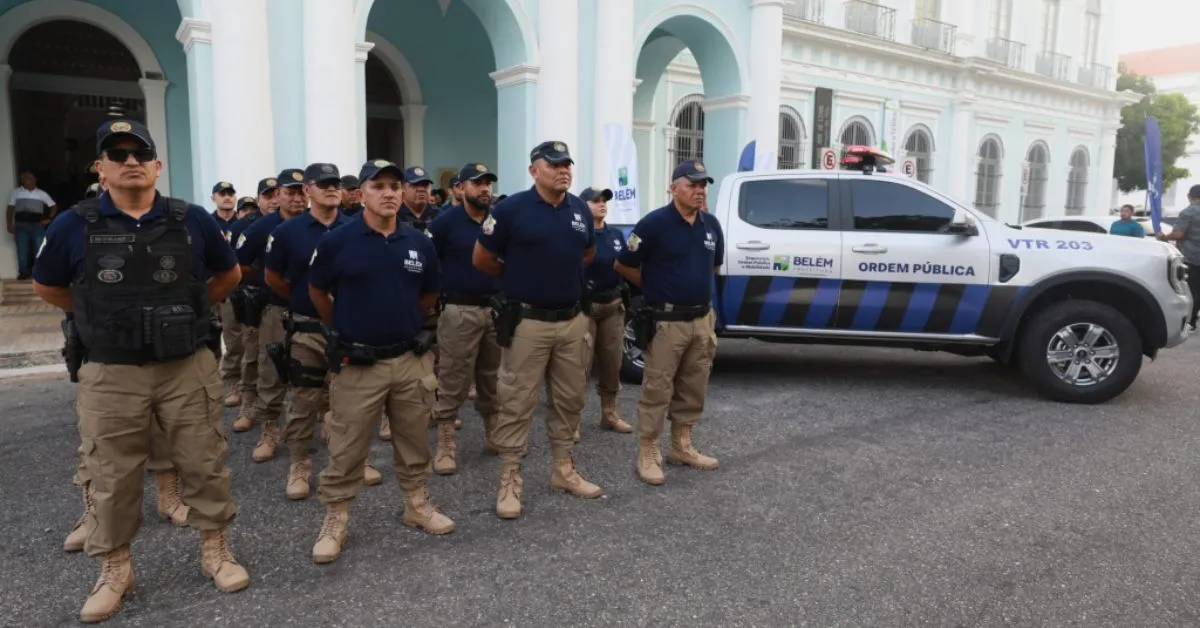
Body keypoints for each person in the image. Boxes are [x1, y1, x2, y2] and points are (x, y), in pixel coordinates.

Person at [33, 119, 249, 622]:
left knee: (204, 460)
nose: (130, 162)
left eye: (140, 154)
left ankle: (216, 551)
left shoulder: (192, 219)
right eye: (118, 154)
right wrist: (102, 318)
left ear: (157, 165)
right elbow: (48, 286)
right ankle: (116, 569)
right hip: (112, 369)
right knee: (111, 473)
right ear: (100, 168)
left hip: (185, 365)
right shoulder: (73, 224)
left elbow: (229, 275)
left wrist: (187, 314)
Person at [308, 159, 454, 564]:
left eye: (394, 186)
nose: (388, 193)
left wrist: (402, 322)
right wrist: (344, 325)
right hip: (358, 363)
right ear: (362, 194)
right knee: (347, 446)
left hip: (409, 359)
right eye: (378, 186)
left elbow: (428, 295)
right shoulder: (338, 242)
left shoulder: (419, 243)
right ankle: (336, 519)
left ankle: (417, 504)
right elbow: (317, 291)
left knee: (414, 440)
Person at [473, 140, 602, 519]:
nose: (564, 171)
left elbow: (587, 253)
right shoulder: (510, 210)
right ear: (534, 170)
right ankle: (510, 479)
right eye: (554, 165)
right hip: (528, 323)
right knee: (517, 402)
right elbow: (482, 258)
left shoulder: (579, 209)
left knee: (570, 398)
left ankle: (563, 469)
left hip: (572, 321)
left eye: (567, 165)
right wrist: (520, 276)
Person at [264, 162, 381, 498]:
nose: (332, 189)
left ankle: (353, 459)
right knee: (304, 400)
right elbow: (274, 278)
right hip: (307, 329)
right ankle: (299, 463)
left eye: (335, 184)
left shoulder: (357, 228)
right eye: (323, 184)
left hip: (348, 328)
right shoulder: (287, 232)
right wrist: (304, 301)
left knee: (350, 401)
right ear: (307, 190)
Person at [615, 160, 723, 486]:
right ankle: (648, 452)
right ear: (674, 187)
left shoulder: (711, 225)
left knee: (693, 386)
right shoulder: (653, 224)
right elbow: (623, 264)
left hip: (701, 320)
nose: (699, 191)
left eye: (703, 185)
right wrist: (654, 287)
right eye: (692, 185)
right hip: (666, 322)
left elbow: (713, 268)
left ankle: (681, 445)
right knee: (657, 389)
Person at [427, 163, 503, 475]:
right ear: (460, 188)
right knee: (453, 377)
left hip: (495, 310)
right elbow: (428, 264)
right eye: (477, 183)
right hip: (459, 310)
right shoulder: (444, 223)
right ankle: (446, 444)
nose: (484, 189)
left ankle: (493, 433)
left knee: (493, 377)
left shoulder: (497, 221)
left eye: (488, 183)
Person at [237, 168, 306, 462]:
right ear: (278, 195)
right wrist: (266, 280)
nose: (297, 198)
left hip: (311, 311)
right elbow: (238, 264)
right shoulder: (261, 228)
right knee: (270, 370)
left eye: (302, 192)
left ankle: (319, 425)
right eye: (290, 192)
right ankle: (269, 429)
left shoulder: (319, 225)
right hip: (276, 308)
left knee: (317, 373)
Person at [577, 186, 633, 436]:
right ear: (583, 206)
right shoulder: (579, 233)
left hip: (612, 306)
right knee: (579, 366)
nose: (602, 204)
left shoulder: (616, 234)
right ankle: (572, 420)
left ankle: (609, 414)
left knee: (612, 363)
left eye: (604, 201)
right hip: (586, 307)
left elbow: (625, 264)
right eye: (595, 201)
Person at [227, 181, 277, 433]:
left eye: (277, 195)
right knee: (253, 355)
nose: (274, 200)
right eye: (268, 196)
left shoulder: (298, 222)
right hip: (256, 299)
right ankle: (248, 402)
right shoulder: (245, 227)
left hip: (288, 301)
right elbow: (234, 265)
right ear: (259, 199)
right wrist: (263, 276)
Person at [210, 181, 243, 406]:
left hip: (233, 286)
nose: (227, 198)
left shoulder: (242, 223)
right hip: (210, 283)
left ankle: (233, 383)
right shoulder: (208, 222)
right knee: (209, 335)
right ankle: (211, 382)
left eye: (230, 194)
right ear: (214, 198)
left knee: (234, 337)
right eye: (222, 194)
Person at [1157, 184, 1200, 329]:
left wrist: (1164, 237)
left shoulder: (1188, 212)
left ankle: (1190, 321)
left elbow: (1178, 234)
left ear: (1189, 196)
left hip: (1191, 257)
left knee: (1191, 290)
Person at [7, 169, 58, 280]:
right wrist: (9, 223)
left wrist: (49, 219)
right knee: (22, 250)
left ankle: (40, 272)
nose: (29, 180)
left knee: (40, 248)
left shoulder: (41, 193)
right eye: (26, 178)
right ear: (22, 180)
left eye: (31, 178)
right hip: (21, 225)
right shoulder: (16, 192)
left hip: (37, 225)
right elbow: (10, 208)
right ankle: (24, 272)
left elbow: (53, 206)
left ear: (35, 180)